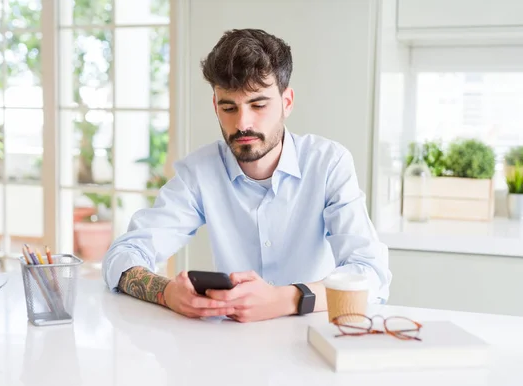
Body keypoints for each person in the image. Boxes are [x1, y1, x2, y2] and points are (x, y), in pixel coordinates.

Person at [102, 28, 391, 323]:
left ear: (287, 102)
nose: (243, 123)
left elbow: (371, 275)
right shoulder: (200, 172)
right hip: (232, 348)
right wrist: (166, 292)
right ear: (216, 106)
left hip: (314, 340)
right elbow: (123, 255)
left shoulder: (329, 163)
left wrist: (286, 298)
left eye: (259, 105)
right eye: (229, 107)